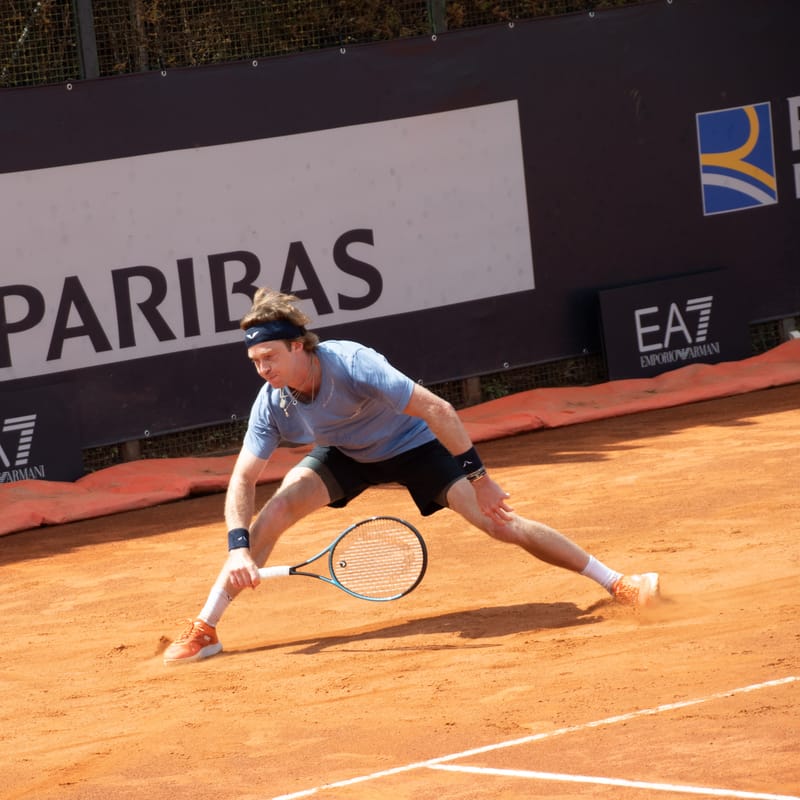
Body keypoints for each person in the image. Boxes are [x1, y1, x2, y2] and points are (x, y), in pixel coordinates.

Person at [164, 287, 660, 665]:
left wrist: (481, 479)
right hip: (344, 455)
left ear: (300, 347)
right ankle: (206, 628)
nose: (262, 369)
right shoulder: (271, 401)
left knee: (499, 524)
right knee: (273, 514)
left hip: (413, 447)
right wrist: (237, 548)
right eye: (254, 361)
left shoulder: (353, 364)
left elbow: (437, 409)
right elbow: (243, 479)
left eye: (269, 357)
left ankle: (619, 583)